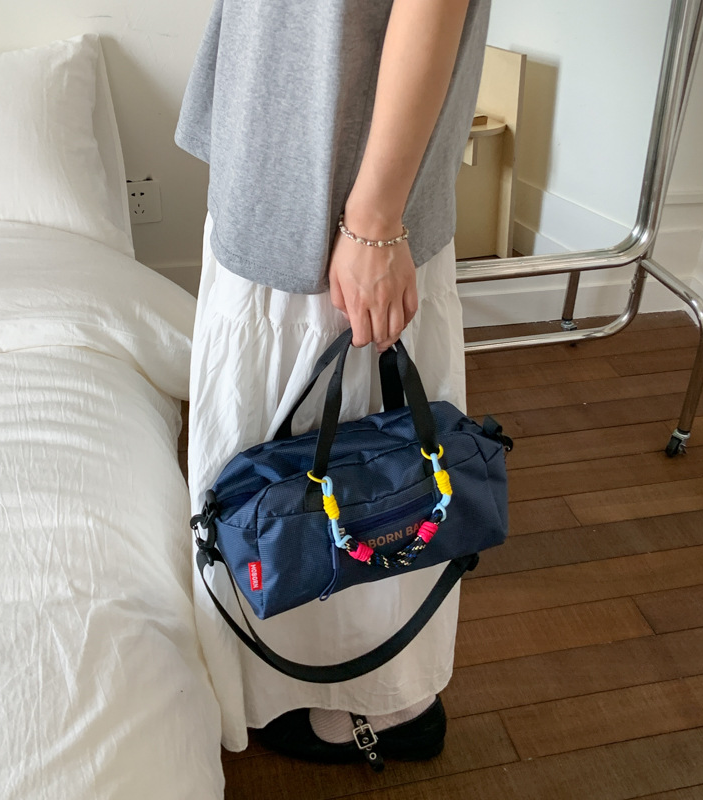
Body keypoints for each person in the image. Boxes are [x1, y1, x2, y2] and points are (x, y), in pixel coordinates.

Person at [176, 0, 491, 767]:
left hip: (342, 190)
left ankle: (383, 704)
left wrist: (376, 220)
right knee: (301, 477)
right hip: (285, 151)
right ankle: (312, 682)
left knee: (362, 475)